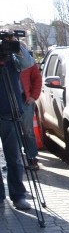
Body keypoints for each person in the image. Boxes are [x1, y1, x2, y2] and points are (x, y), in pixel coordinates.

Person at [0, 30, 34, 210]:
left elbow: (28, 62)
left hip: (10, 114)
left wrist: (14, 42)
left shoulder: (12, 58)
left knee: (14, 158)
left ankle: (18, 195)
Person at [20, 46, 42, 171]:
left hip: (25, 100)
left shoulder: (27, 61)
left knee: (27, 131)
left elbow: (37, 79)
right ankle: (15, 160)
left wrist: (33, 96)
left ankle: (31, 158)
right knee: (12, 133)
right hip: (6, 102)